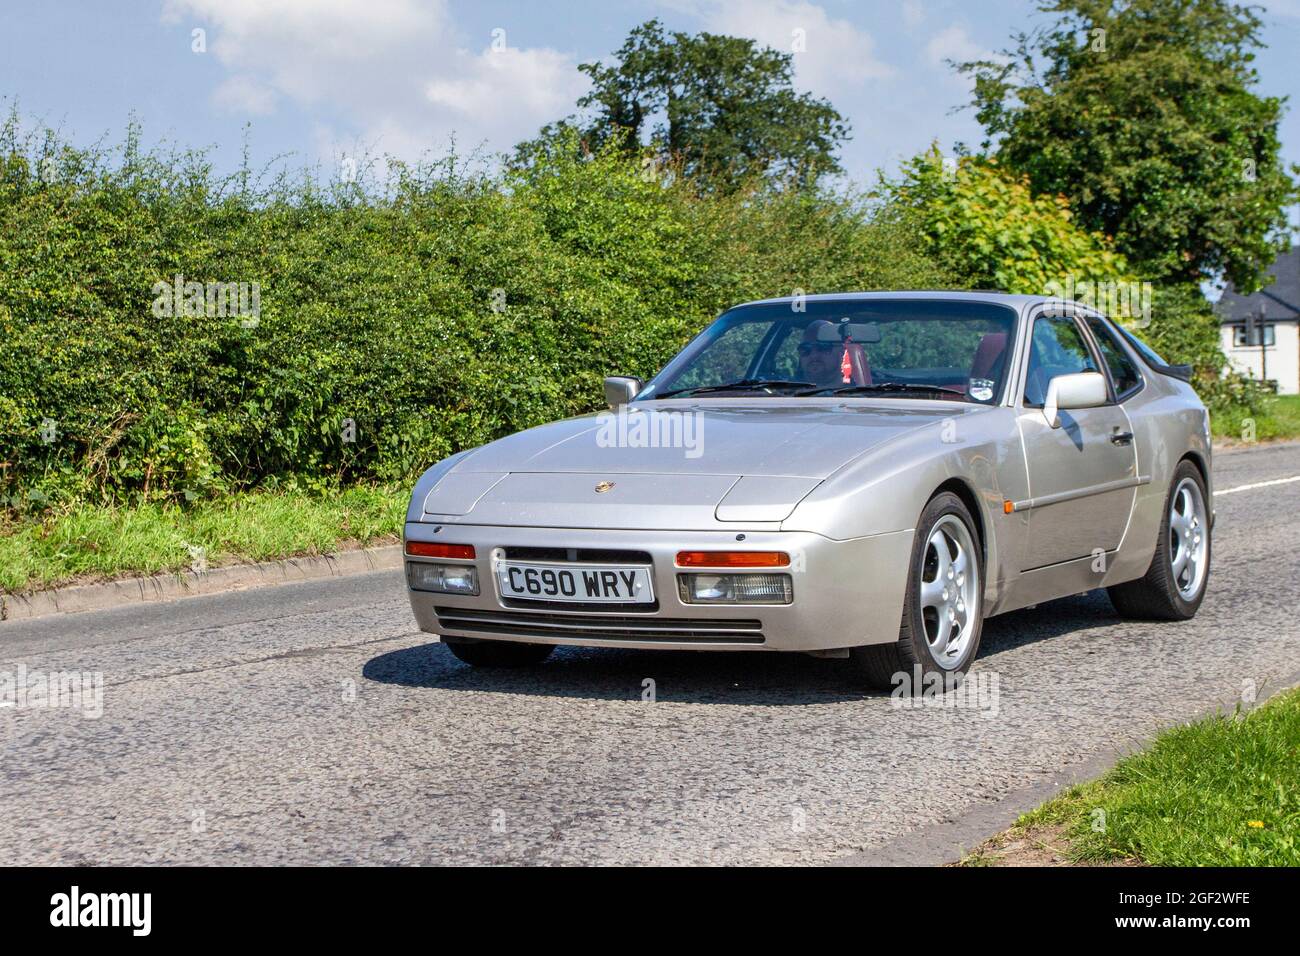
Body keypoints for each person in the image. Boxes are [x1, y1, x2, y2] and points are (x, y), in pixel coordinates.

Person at [797, 319, 844, 386]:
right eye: (806, 349)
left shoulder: (861, 393)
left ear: (842, 353)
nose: (814, 355)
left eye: (823, 347)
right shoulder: (782, 393)